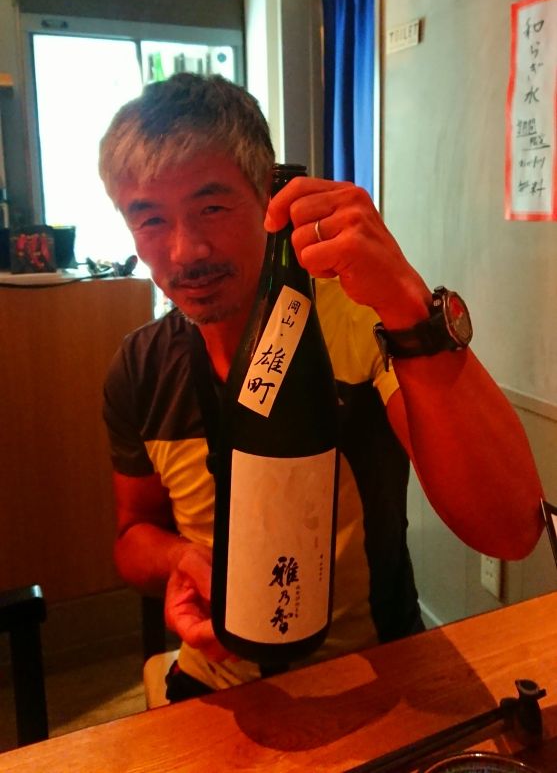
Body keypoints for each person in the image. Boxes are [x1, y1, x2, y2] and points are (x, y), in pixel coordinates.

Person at [99, 72, 543, 701]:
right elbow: (132, 533)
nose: (186, 250)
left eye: (212, 208)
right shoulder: (140, 365)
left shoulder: (360, 323)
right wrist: (179, 560)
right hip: (217, 683)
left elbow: (511, 529)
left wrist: (405, 298)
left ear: (268, 195)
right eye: (149, 220)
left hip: (377, 677)